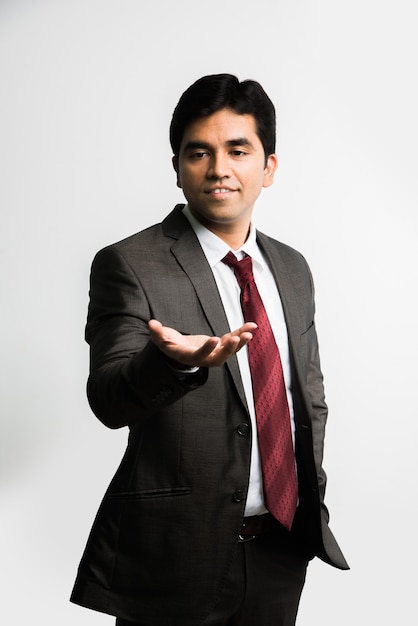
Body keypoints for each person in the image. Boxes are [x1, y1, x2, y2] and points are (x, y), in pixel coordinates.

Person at [70, 73, 348, 626]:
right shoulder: (130, 263)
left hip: (281, 550)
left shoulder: (292, 268)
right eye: (199, 152)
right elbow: (108, 399)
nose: (219, 168)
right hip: (174, 555)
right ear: (177, 166)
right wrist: (170, 362)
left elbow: (305, 396)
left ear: (268, 167)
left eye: (238, 150)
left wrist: (308, 503)